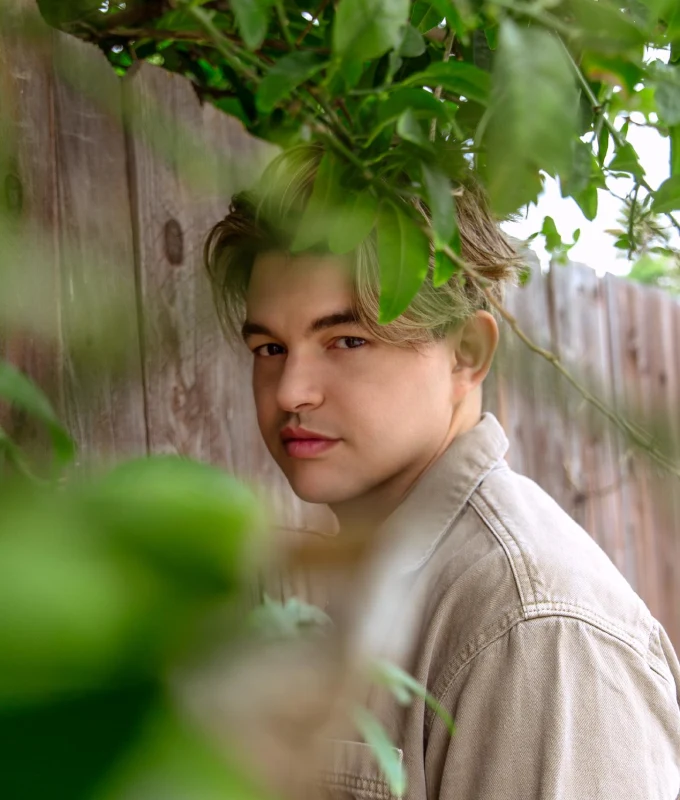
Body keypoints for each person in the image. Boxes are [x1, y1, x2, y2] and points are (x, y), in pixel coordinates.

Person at [204, 143, 680, 799]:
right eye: (270, 347)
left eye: (347, 340)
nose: (290, 391)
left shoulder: (532, 627)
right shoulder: (358, 583)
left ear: (466, 352)